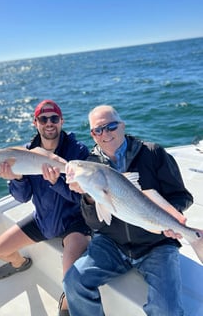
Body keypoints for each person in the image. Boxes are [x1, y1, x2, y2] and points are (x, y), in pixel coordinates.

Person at [63, 105, 193, 316]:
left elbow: (182, 196)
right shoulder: (90, 166)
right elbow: (95, 223)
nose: (105, 133)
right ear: (93, 135)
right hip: (112, 244)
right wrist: (87, 195)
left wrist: (168, 219)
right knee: (73, 282)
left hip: (156, 243)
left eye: (111, 126)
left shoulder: (153, 153)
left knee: (167, 309)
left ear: (122, 125)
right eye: (98, 130)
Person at [0, 99, 92, 316]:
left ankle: (65, 305)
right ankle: (21, 263)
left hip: (75, 223)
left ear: (61, 121)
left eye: (54, 118)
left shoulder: (78, 151)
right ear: (35, 122)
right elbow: (23, 197)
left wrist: (57, 183)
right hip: (43, 220)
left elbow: (82, 198)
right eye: (43, 119)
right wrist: (16, 178)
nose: (49, 123)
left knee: (71, 279)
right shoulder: (24, 153)